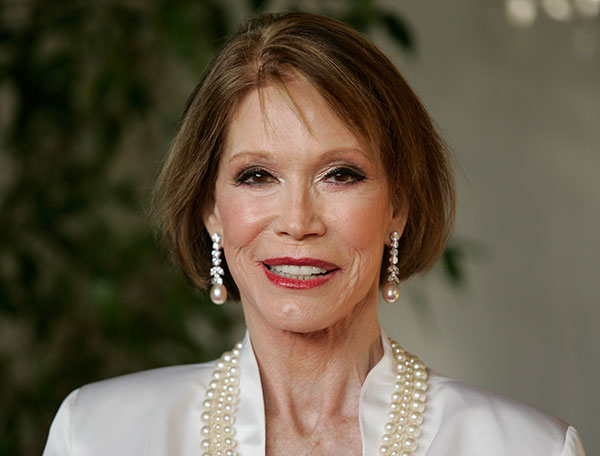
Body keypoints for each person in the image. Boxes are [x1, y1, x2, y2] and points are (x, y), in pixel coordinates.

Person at [42, 12, 586, 456]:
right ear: (210, 209)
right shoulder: (94, 435)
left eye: (340, 175)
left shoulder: (528, 448)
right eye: (257, 176)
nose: (298, 222)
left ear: (397, 206)